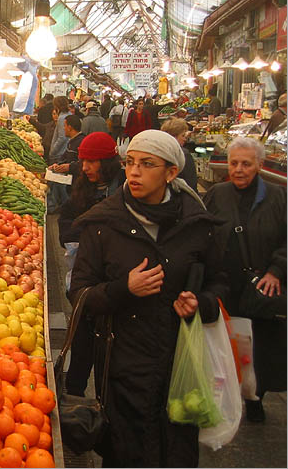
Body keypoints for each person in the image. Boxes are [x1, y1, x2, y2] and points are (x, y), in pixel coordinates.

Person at [69, 129, 227, 467]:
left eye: (147, 164)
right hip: (123, 365)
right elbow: (79, 294)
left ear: (171, 173)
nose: (135, 172)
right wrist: (123, 289)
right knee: (126, 451)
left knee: (176, 450)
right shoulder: (103, 224)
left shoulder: (196, 223)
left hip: (179, 364)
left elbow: (220, 282)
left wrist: (201, 302)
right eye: (130, 163)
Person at [204, 137, 286, 423]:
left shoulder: (278, 197)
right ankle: (224, 400)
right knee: (224, 345)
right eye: (234, 163)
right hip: (225, 284)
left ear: (260, 166)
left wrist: (277, 269)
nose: (238, 169)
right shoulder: (217, 194)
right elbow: (202, 233)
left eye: (246, 164)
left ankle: (255, 396)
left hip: (259, 285)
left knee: (258, 349)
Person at [58, 133, 125, 397]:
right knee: (82, 337)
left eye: (92, 161)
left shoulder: (124, 188)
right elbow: (65, 221)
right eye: (83, 161)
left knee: (110, 346)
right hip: (84, 281)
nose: (85, 167)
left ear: (108, 162)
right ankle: (75, 393)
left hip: (114, 282)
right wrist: (78, 241)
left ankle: (106, 399)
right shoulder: (81, 188)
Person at [161, 118, 198, 190]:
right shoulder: (183, 154)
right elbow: (191, 183)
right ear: (174, 136)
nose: (185, 139)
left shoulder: (159, 152)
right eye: (183, 136)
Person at [48, 96, 71, 165]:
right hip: (65, 151)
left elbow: (62, 137)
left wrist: (53, 151)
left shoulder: (62, 118)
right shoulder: (69, 114)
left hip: (59, 154)